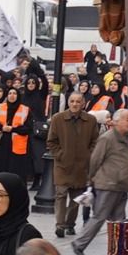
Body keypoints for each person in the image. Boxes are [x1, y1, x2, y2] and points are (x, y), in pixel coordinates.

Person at [69, 108, 128, 255]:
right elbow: (95, 159)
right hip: (108, 184)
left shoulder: (126, 138)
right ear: (117, 121)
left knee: (119, 220)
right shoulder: (108, 138)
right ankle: (79, 243)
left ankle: (120, 250)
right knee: (99, 216)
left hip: (121, 185)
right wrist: (91, 179)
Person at [45, 95, 98, 237]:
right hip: (63, 164)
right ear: (68, 103)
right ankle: (60, 225)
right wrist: (60, 154)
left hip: (81, 165)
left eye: (78, 102)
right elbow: (51, 142)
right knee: (61, 194)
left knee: (76, 198)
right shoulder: (58, 119)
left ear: (83, 104)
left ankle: (70, 223)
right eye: (72, 101)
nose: (75, 104)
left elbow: (95, 141)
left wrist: (88, 155)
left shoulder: (91, 120)